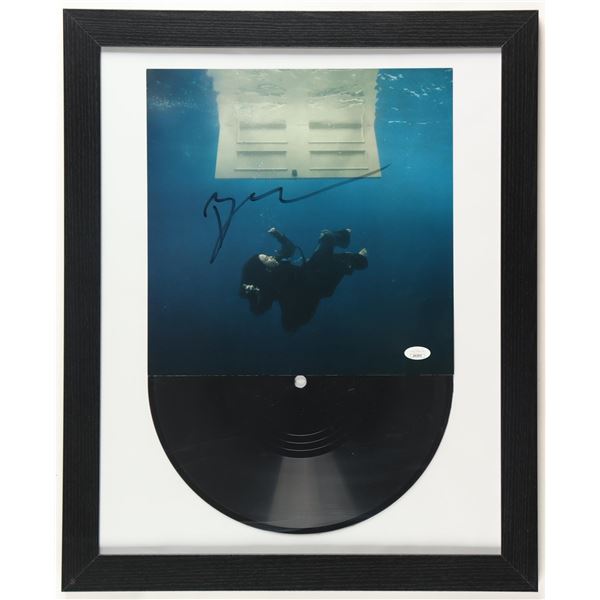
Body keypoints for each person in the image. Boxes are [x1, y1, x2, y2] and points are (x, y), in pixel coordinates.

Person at [240, 227, 368, 332]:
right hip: (305, 293)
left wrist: (279, 236)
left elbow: (289, 249)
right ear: (263, 269)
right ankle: (353, 257)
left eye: (267, 256)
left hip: (309, 274)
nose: (271, 257)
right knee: (290, 324)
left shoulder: (275, 263)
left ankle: (349, 250)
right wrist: (254, 294)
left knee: (327, 241)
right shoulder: (264, 285)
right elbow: (260, 308)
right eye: (266, 259)